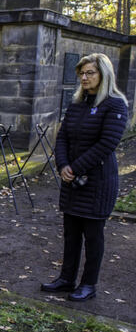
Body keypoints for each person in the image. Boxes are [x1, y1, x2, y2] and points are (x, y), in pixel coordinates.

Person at [40, 53, 128, 301]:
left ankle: (89, 284)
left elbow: (107, 144)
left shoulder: (114, 104)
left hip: (97, 182)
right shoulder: (77, 104)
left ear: (104, 75)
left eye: (90, 72)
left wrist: (75, 167)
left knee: (93, 235)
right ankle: (66, 279)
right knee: (71, 231)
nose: (84, 77)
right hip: (72, 181)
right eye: (81, 73)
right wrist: (63, 165)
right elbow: (63, 136)